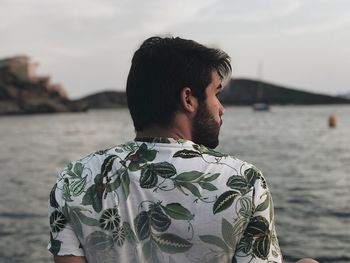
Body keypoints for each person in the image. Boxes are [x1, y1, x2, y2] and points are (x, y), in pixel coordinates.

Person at [48, 36, 317, 263]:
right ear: (188, 98)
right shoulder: (244, 181)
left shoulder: (75, 178)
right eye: (216, 94)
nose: (221, 109)